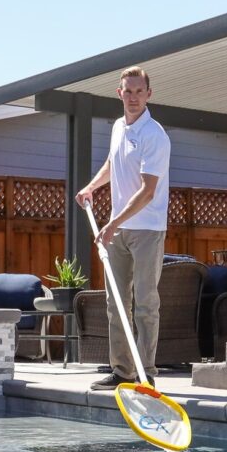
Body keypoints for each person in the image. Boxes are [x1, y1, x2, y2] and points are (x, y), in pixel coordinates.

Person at [76, 66, 171, 389]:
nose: (132, 97)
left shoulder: (154, 135)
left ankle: (147, 375)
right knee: (115, 302)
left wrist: (113, 223)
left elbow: (147, 191)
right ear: (119, 93)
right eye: (127, 91)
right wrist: (91, 187)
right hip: (118, 229)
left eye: (138, 91)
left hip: (146, 229)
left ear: (148, 94)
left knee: (145, 303)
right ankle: (122, 372)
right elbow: (112, 163)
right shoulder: (118, 127)